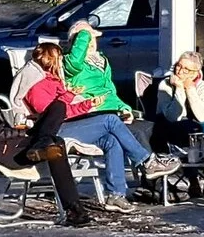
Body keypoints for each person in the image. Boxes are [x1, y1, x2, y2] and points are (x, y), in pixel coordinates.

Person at [25, 43, 179, 212]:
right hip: (54, 131)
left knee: (112, 140)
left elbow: (65, 108)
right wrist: (74, 99)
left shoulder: (54, 81)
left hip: (69, 124)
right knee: (110, 120)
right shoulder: (36, 85)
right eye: (59, 58)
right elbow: (52, 115)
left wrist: (86, 103)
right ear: (49, 60)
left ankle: (116, 195)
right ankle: (147, 161)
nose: (61, 62)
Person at [0, 60, 94, 226]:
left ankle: (41, 145)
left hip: (12, 144)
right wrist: (19, 131)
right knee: (55, 143)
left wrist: (20, 130)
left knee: (58, 107)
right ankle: (74, 209)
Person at [62, 21, 133, 114]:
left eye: (92, 38)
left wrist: (124, 108)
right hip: (86, 111)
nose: (90, 42)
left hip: (109, 111)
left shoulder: (101, 61)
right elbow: (75, 61)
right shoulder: (68, 62)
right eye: (86, 39)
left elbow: (109, 93)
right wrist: (84, 33)